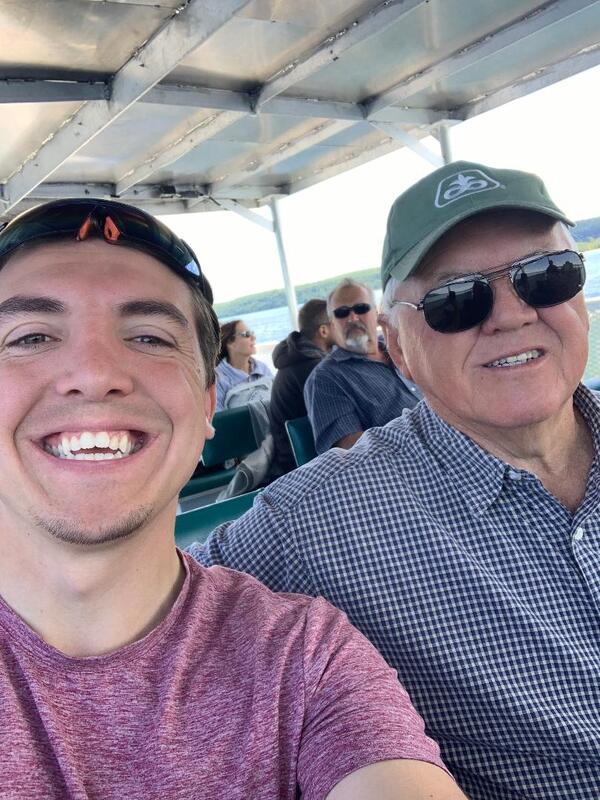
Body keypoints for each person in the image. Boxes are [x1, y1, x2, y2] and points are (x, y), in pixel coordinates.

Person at [0, 198, 466, 800]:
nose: (93, 374)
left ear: (206, 404)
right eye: (31, 337)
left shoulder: (306, 660)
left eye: (148, 337)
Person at [190, 161, 600, 800]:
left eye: (546, 275)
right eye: (454, 299)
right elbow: (146, 610)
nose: (512, 315)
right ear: (398, 347)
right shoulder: (322, 517)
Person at [304, 278, 420, 453]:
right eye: (342, 313)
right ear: (332, 323)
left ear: (376, 313)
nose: (352, 317)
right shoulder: (325, 378)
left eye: (361, 308)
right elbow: (350, 452)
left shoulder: (404, 347)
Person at [269, 298, 334, 473]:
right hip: (298, 465)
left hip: (291, 457)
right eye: (337, 322)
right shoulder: (312, 368)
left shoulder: (300, 359)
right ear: (324, 330)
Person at [215, 319, 273, 410]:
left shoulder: (263, 368)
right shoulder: (218, 379)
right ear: (230, 343)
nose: (253, 337)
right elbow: (219, 416)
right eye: (246, 334)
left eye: (252, 333)